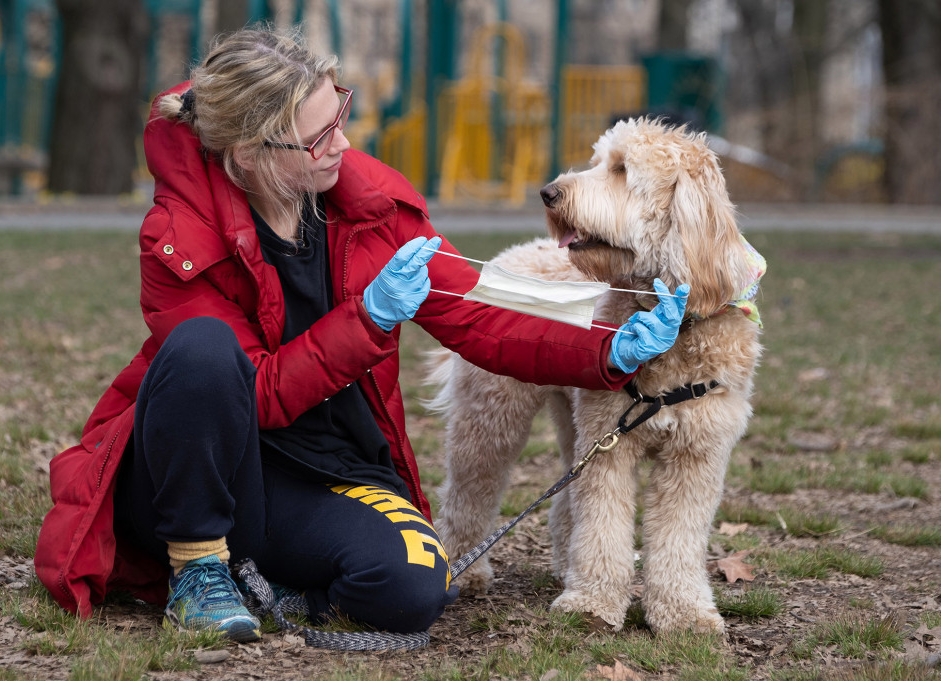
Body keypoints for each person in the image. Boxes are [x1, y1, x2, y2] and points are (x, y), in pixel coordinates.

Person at [34, 27, 688, 642]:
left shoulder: (371, 208)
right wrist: (367, 319)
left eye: (340, 116)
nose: (343, 145)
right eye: (319, 138)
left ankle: (265, 583)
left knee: (410, 592)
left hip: (322, 467)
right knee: (201, 350)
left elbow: (477, 316)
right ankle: (198, 568)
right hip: (193, 467)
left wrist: (606, 350)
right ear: (250, 154)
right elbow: (255, 392)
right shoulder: (177, 237)